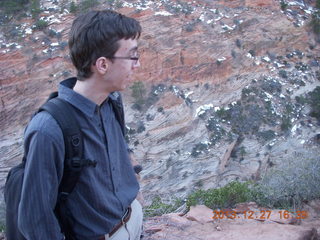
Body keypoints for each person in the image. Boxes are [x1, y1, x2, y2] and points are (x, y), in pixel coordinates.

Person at [18, 10, 143, 240]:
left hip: (132, 221)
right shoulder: (48, 129)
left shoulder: (112, 101)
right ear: (103, 65)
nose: (137, 64)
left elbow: (119, 149)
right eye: (132, 56)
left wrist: (134, 196)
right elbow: (35, 220)